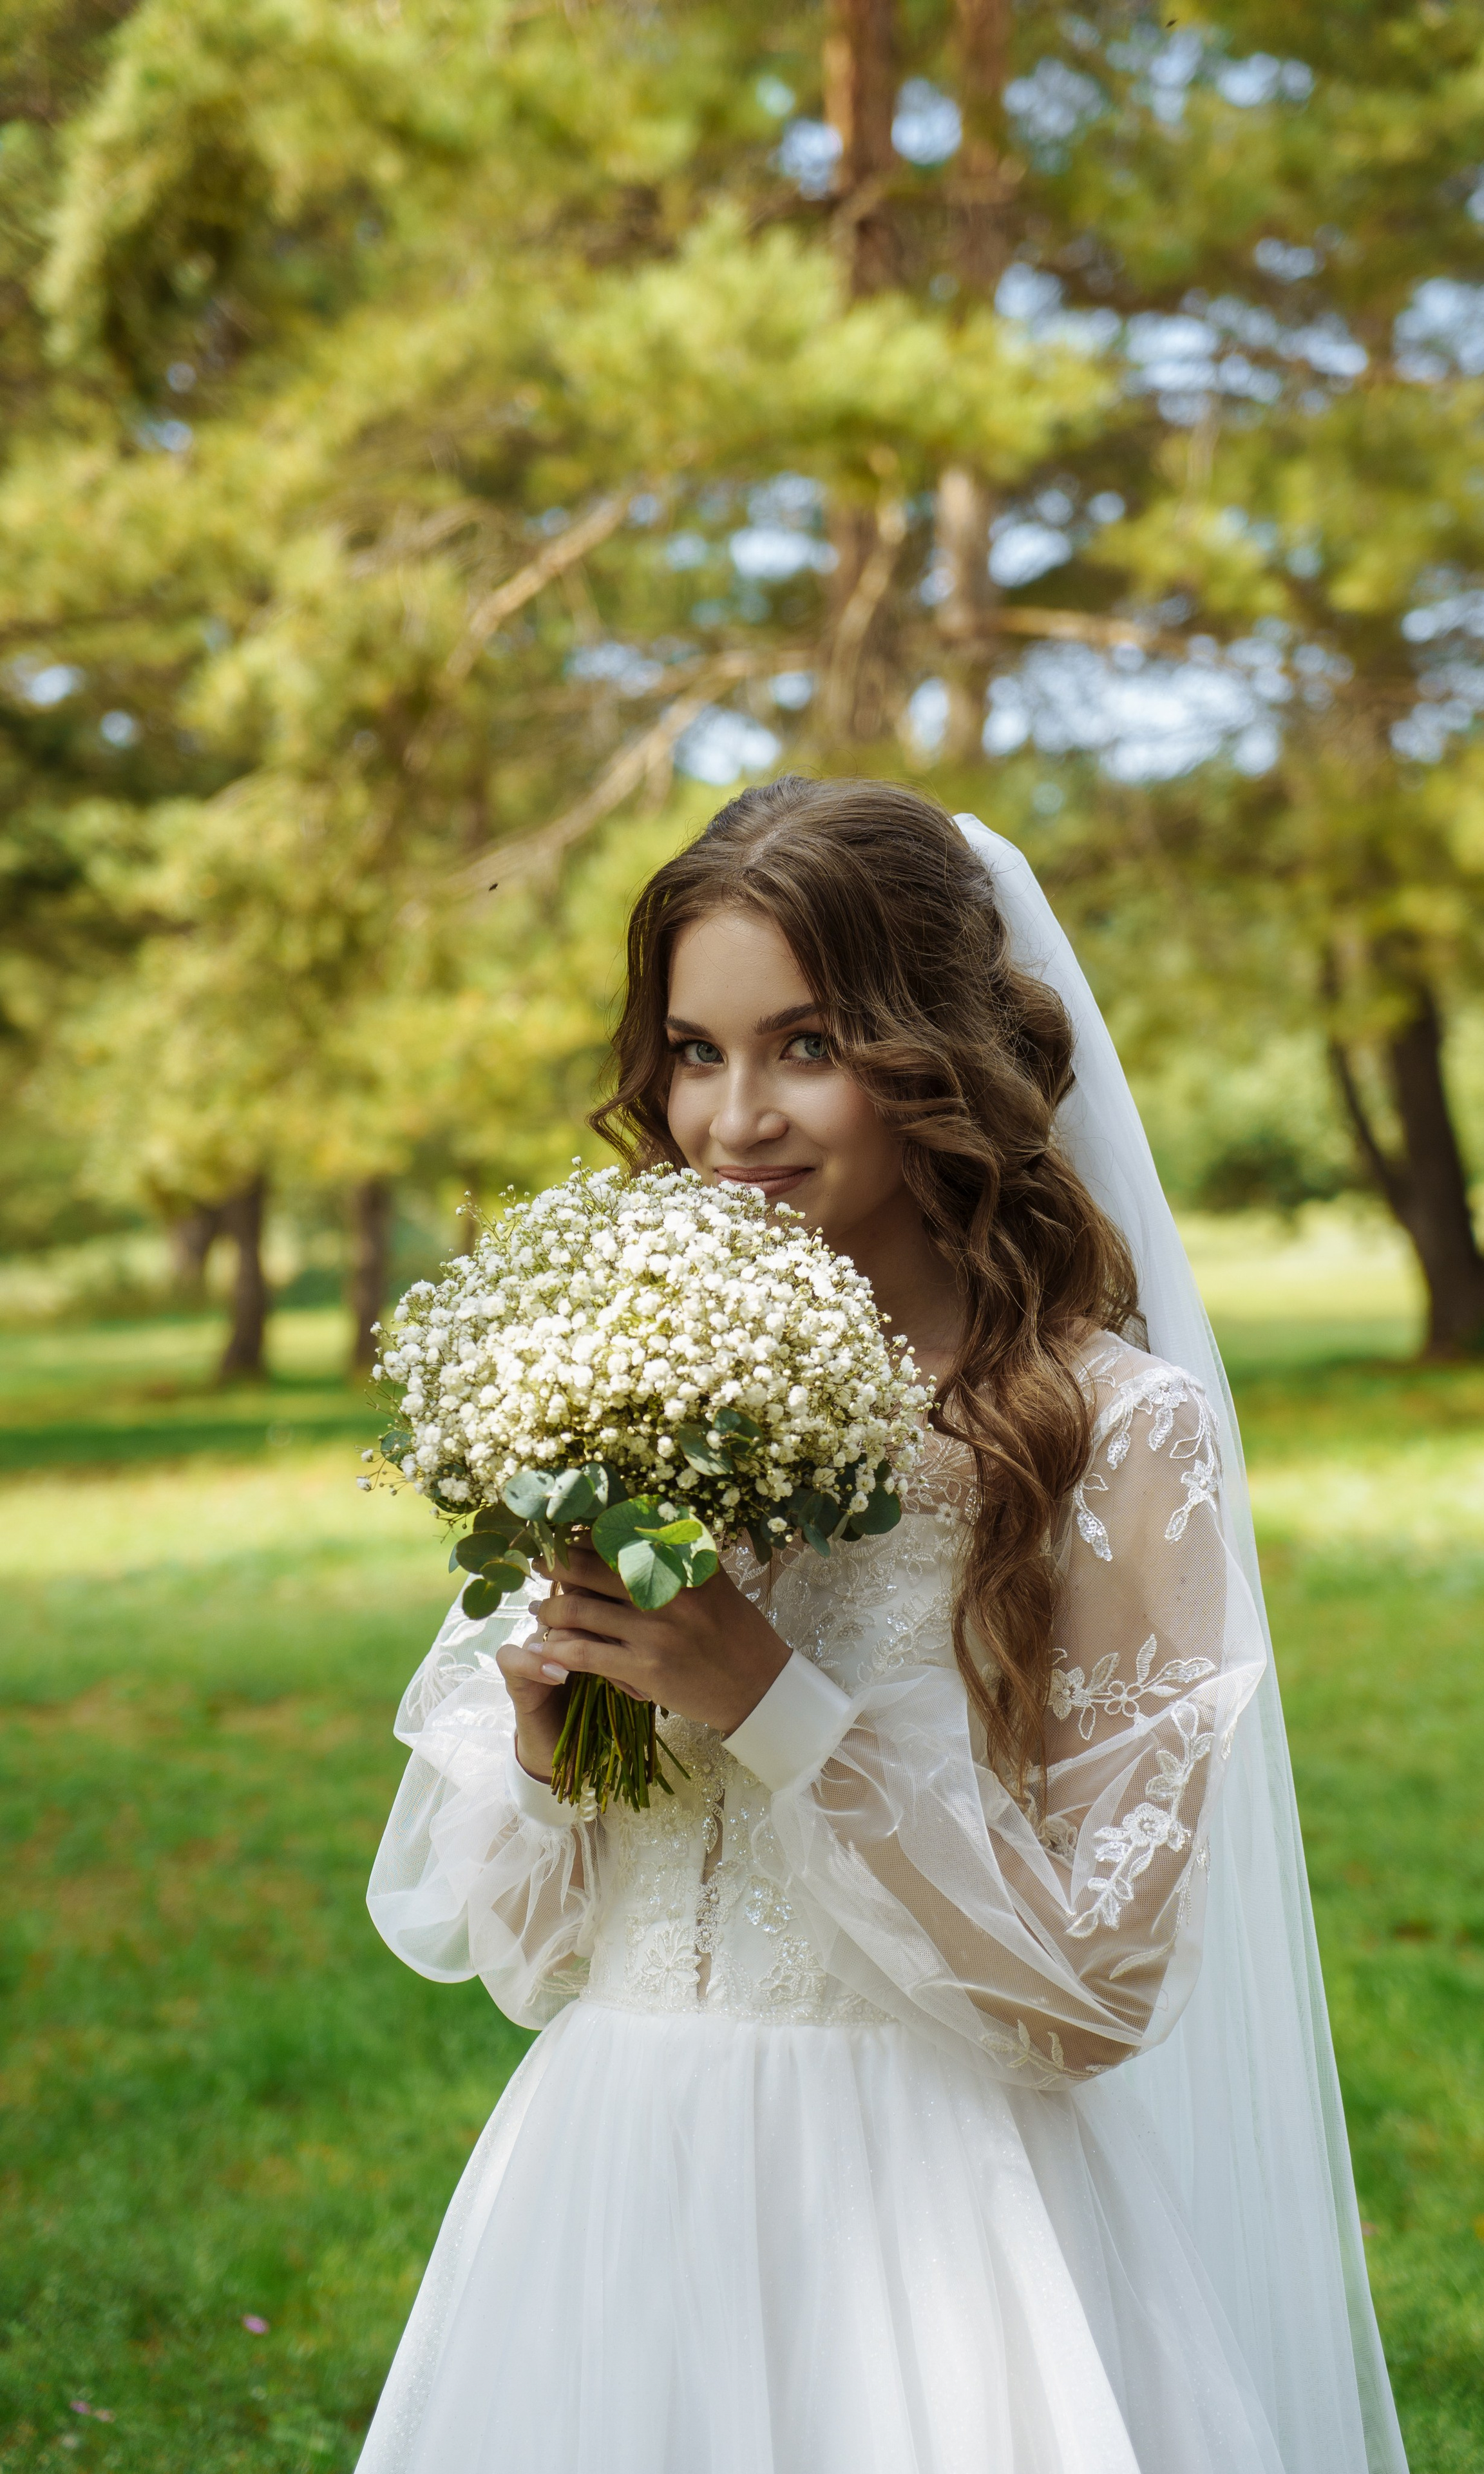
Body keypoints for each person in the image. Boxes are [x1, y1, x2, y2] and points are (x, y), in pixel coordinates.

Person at [357, 780, 1407, 2474]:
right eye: (694, 1050)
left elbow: (1098, 1994)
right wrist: (565, 1761)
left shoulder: (1112, 1433)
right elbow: (528, 1957)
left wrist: (772, 1707)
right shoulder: (636, 1397)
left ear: (939, 1054)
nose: (735, 1115)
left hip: (941, 2213)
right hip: (612, 2184)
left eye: (808, 1043)